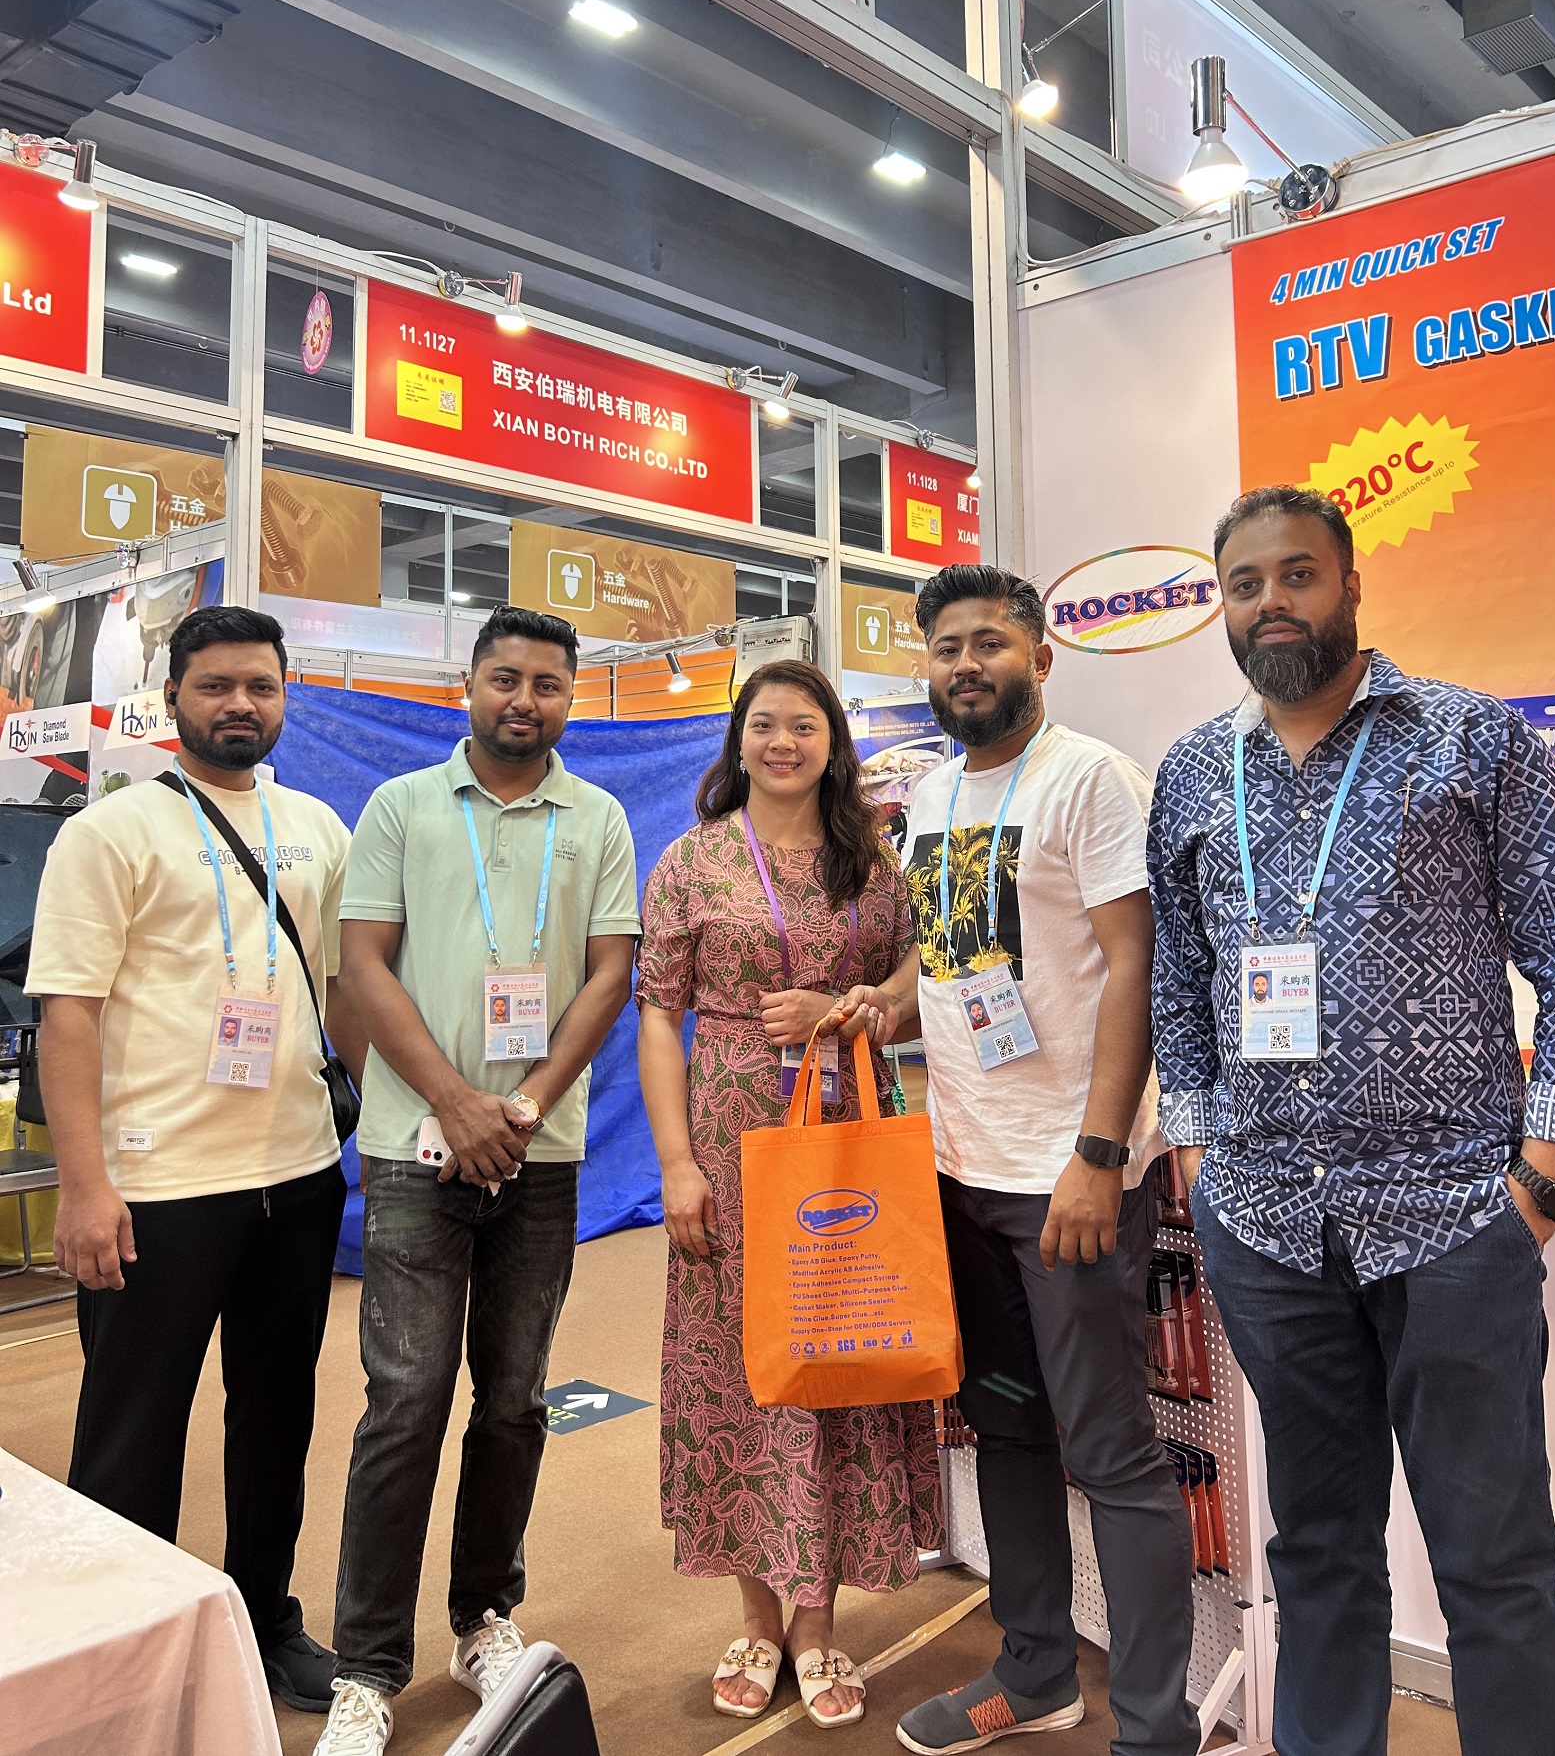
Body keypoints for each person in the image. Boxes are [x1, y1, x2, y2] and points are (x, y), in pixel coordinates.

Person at [1147, 485, 1555, 1756]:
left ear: (1349, 585)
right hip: (1266, 1226)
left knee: (1493, 1557)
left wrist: (1543, 1172)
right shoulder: (1192, 771)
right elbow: (1180, 976)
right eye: (1244, 583)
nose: (1271, 602)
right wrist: (1200, 1155)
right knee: (1317, 1547)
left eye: (1297, 574)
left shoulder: (1468, 738)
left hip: (1454, 1219)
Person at [834, 564, 1199, 1756]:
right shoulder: (933, 794)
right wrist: (885, 1002)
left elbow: (1135, 966)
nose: (965, 665)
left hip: (1066, 1179)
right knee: (1005, 1431)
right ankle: (1035, 1671)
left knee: (1111, 1452)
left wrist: (1100, 1150)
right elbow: (954, 955)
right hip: (961, 1173)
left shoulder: (1091, 780)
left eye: (989, 643)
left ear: (1040, 657)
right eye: (945, 648)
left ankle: (1154, 1725)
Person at [315, 606, 639, 1756]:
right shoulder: (403, 807)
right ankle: (366, 1669)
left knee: (513, 1399)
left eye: (548, 684)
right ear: (469, 686)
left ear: (570, 698)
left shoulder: (596, 818)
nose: (524, 700)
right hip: (415, 1149)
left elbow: (610, 974)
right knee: (405, 1401)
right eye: (505, 678)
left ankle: (482, 1617)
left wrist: (526, 1105)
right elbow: (363, 966)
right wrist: (454, 1102)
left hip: (537, 1156)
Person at [29, 604, 363, 1714]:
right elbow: (67, 1016)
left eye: (260, 686)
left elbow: (341, 988)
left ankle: (263, 1620)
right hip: (155, 1189)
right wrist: (84, 1187)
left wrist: (351, 1110)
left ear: (285, 695)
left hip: (295, 1181)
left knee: (276, 1421)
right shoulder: (109, 832)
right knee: (132, 1434)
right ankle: (121, 1658)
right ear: (171, 696)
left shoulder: (316, 825)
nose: (239, 705)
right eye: (215, 685)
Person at [636, 659, 940, 1731]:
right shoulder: (693, 861)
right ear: (739, 740)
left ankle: (818, 1625)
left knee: (839, 1350)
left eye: (803, 725)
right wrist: (674, 1163)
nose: (782, 743)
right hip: (728, 1141)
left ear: (831, 741)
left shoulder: (872, 859)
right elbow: (658, 1014)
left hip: (844, 1137)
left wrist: (854, 1004)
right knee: (742, 1367)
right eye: (763, 724)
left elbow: (915, 977)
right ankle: (758, 1621)